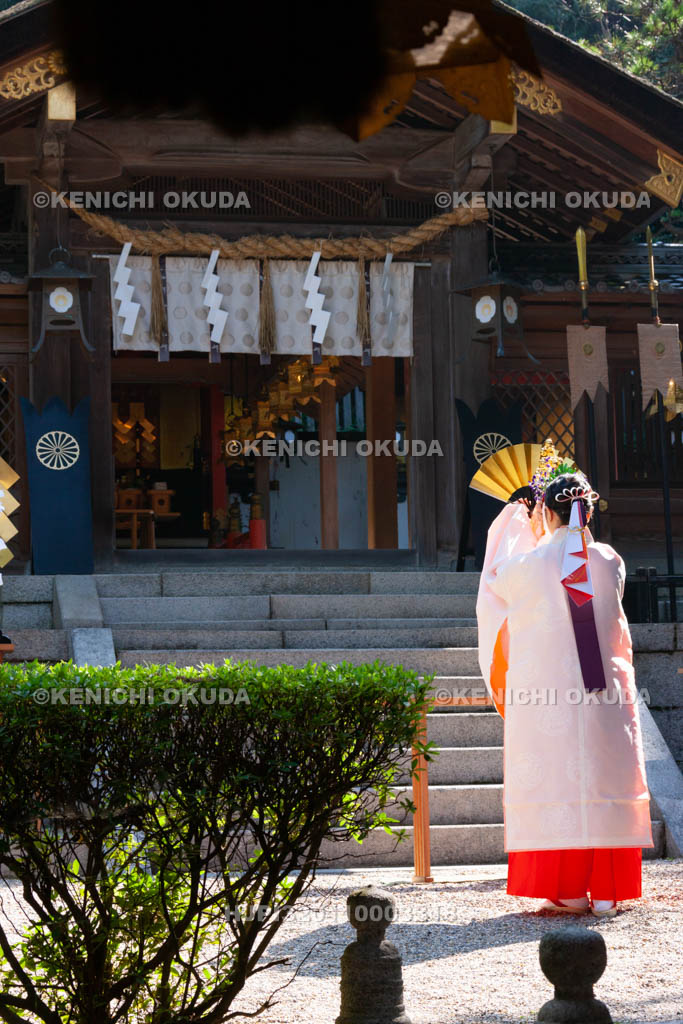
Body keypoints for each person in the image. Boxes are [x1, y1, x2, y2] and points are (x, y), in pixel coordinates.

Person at [476, 460, 653, 918]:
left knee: (557, 781)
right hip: (604, 695)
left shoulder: (527, 565)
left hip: (547, 698)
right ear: (588, 514)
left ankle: (568, 890)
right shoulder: (611, 560)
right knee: (605, 778)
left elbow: (494, 583)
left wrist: (516, 525)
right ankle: (611, 892)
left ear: (547, 515)